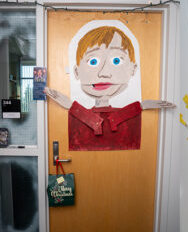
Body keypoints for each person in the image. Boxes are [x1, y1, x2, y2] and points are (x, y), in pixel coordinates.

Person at [45, 24, 174, 151]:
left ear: (133, 69)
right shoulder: (79, 115)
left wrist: (142, 105)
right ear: (77, 72)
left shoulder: (126, 115)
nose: (104, 73)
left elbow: (111, 121)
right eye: (93, 61)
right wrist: (71, 106)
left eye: (116, 61)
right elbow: (100, 122)